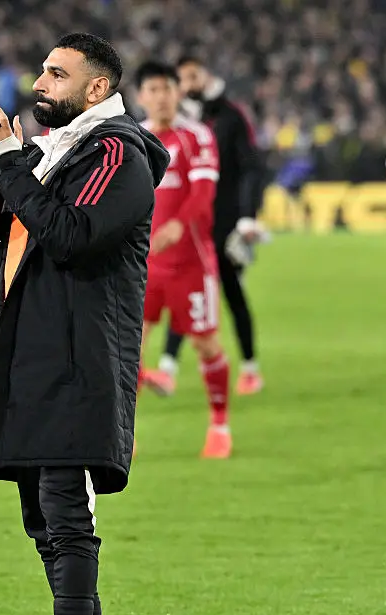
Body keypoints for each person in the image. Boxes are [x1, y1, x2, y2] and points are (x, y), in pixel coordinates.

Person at [0, 32, 169, 615]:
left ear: (97, 89)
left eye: (57, 72)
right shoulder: (51, 153)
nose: (39, 81)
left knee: (68, 518)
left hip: (77, 363)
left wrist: (12, 165)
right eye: (41, 68)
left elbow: (71, 237)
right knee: (44, 521)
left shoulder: (116, 153)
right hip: (28, 359)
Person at [142, 55, 265, 397]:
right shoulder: (164, 127)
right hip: (178, 233)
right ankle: (167, 368)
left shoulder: (228, 116)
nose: (186, 85)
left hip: (220, 224)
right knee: (177, 301)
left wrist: (247, 215)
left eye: (191, 77)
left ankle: (251, 367)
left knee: (231, 294)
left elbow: (251, 167)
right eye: (180, 80)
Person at [135, 61, 231, 459]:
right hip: (145, 264)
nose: (159, 97)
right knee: (127, 349)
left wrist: (178, 225)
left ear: (178, 92)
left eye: (166, 89)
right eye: (152, 90)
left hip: (191, 262)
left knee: (207, 344)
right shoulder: (133, 139)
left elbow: (204, 192)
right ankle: (124, 435)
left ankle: (219, 424)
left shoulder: (197, 136)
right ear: (141, 96)